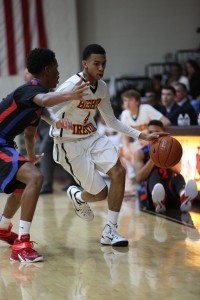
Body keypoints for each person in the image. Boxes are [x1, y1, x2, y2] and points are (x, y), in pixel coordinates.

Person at [49, 44, 168, 247]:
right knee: (100, 193)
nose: (101, 68)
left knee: (119, 172)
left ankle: (110, 231)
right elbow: (48, 110)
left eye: (104, 64)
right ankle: (78, 196)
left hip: (92, 137)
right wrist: (56, 122)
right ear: (85, 64)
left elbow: (111, 121)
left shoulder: (102, 87)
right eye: (97, 63)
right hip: (68, 143)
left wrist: (142, 135)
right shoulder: (71, 85)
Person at [0, 47, 90, 262]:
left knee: (23, 185)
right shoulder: (29, 90)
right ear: (47, 69)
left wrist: (31, 158)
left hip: (5, 144)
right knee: (36, 178)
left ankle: (3, 229)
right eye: (56, 69)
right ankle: (22, 245)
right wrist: (70, 94)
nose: (58, 74)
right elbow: (43, 99)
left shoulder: (33, 106)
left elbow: (30, 136)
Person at [133, 120, 198, 212]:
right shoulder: (140, 153)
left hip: (169, 190)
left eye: (157, 132)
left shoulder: (172, 147)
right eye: (151, 132)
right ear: (147, 134)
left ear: (163, 134)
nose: (154, 135)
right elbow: (139, 178)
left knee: (178, 176)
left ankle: (184, 196)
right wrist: (153, 159)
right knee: (154, 175)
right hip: (149, 195)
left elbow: (178, 169)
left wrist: (165, 157)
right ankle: (158, 201)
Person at [120, 89, 170, 187]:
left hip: (153, 142)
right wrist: (125, 148)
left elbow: (166, 122)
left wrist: (156, 136)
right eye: (125, 100)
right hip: (139, 143)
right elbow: (125, 136)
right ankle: (132, 175)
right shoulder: (125, 114)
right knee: (119, 150)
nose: (127, 103)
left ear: (138, 102)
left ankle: (138, 177)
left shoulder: (146, 109)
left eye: (130, 100)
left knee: (136, 152)